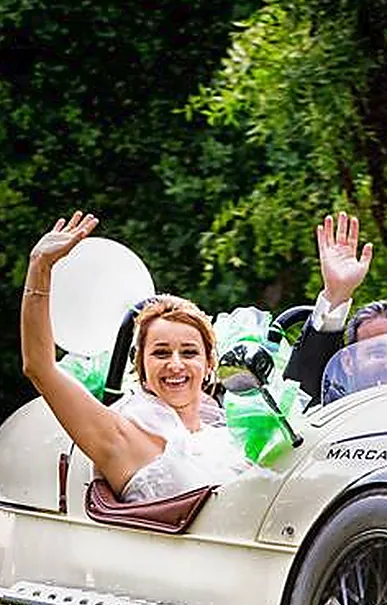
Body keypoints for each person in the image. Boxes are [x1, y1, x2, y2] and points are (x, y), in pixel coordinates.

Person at [21, 211, 250, 502]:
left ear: (208, 365)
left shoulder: (230, 438)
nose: (176, 364)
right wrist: (39, 266)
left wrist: (329, 305)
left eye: (190, 352)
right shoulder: (120, 436)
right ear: (141, 366)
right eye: (161, 352)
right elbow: (40, 368)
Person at [282, 210, 387, 404]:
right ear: (349, 362)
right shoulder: (334, 412)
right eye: (377, 352)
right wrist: (336, 295)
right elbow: (301, 394)